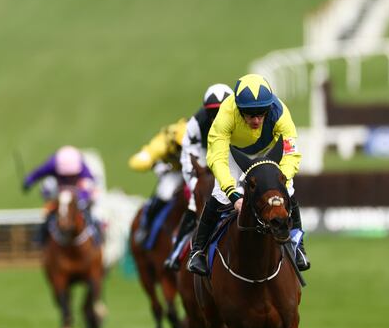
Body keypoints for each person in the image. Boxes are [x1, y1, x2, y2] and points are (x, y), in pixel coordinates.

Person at [186, 73, 310, 276]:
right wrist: (233, 193)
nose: (256, 119)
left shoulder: (279, 111)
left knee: (288, 189)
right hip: (235, 153)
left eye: (261, 113)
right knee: (219, 194)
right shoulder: (226, 113)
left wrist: (282, 179)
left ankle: (298, 247)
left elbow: (292, 152)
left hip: (267, 152)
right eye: (250, 114)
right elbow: (217, 158)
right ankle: (198, 251)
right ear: (238, 109)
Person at [163, 83, 233, 270]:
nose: (217, 117)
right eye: (212, 112)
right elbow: (188, 157)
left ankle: (291, 244)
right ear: (205, 111)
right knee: (195, 204)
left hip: (230, 153)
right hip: (204, 154)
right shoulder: (196, 123)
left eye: (222, 111)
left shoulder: (240, 120)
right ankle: (178, 252)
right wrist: (194, 183)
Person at [128, 119, 187, 245]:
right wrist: (152, 163)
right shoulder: (165, 141)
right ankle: (146, 226)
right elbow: (141, 158)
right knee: (165, 193)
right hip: (177, 172)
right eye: (181, 147)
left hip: (198, 169)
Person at [22, 145, 99, 243]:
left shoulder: (81, 166)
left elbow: (89, 183)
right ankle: (41, 237)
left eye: (72, 176)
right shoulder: (53, 163)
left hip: (77, 195)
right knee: (50, 212)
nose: (69, 177)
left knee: (90, 214)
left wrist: (82, 198)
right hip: (59, 194)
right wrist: (29, 181)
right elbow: (39, 172)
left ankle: (96, 235)